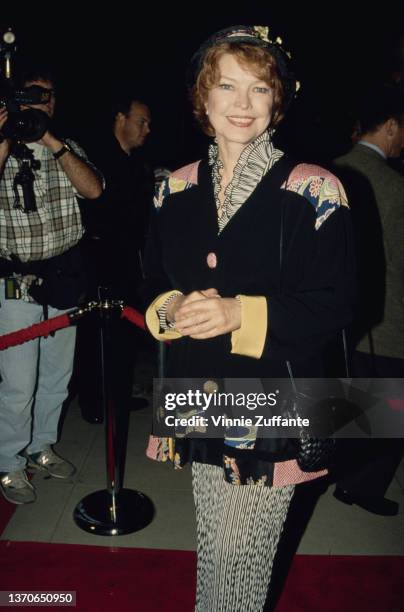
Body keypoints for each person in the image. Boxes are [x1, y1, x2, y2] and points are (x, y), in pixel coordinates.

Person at [143, 25, 354, 611]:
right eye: (226, 86)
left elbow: (340, 301)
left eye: (258, 89)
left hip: (276, 393)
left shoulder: (315, 188)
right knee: (213, 541)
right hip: (199, 386)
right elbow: (151, 281)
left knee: (243, 561)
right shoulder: (174, 188)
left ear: (277, 99)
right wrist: (172, 308)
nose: (241, 105)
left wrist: (239, 312)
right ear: (201, 98)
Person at [0, 70, 103, 505]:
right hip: (15, 280)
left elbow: (94, 190)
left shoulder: (66, 148)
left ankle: (42, 446)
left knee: (57, 376)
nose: (41, 104)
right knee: (19, 382)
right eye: (32, 97)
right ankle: (8, 463)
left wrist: (50, 141)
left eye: (48, 97)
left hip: (65, 276)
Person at [333, 83, 404, 516]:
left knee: (344, 396)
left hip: (333, 316)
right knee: (389, 408)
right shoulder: (395, 188)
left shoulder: (324, 170)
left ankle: (333, 470)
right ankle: (360, 486)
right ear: (392, 127)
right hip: (387, 319)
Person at [76, 95, 154, 423]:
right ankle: (94, 403)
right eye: (142, 122)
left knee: (124, 333)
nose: (147, 129)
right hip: (97, 259)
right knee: (95, 336)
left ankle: (117, 396)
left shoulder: (138, 163)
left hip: (125, 258)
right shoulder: (95, 158)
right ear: (121, 119)